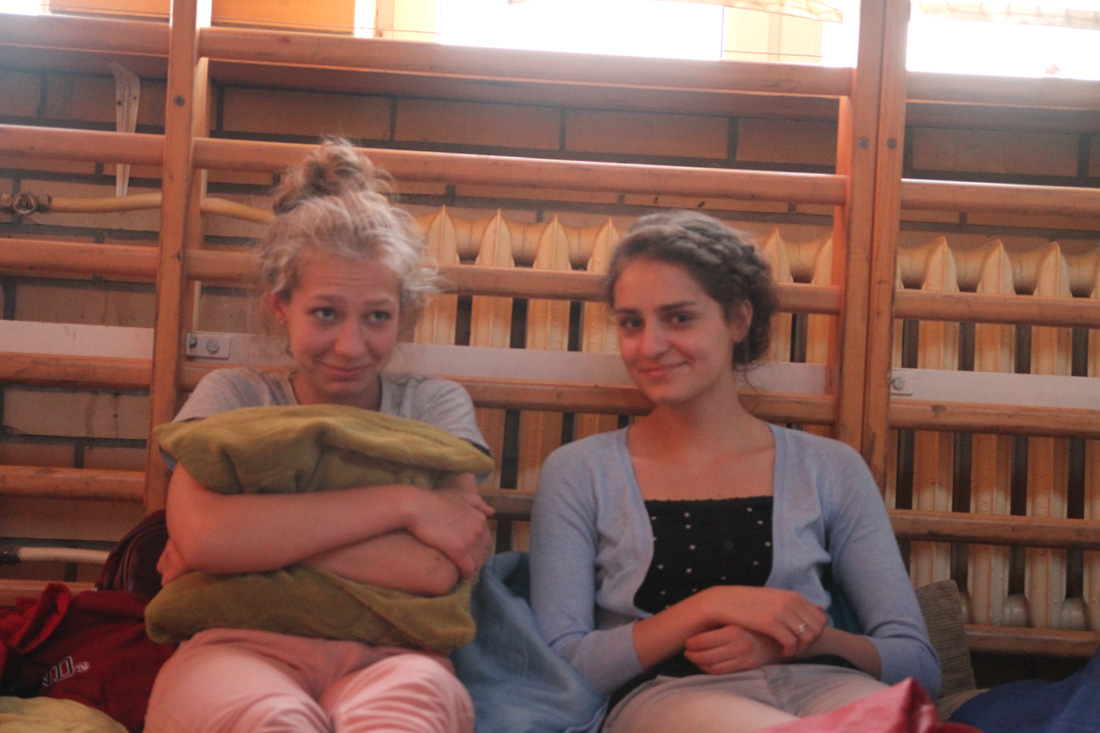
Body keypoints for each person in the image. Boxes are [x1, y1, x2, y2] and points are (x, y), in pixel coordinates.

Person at [529, 211, 940, 733]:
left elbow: (920, 665)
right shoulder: (580, 472)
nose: (649, 346)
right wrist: (711, 606)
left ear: (738, 320)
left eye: (679, 318)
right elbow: (561, 667)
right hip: (670, 698)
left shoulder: (830, 468)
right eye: (632, 322)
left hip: (824, 682)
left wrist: (806, 640)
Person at [145, 139, 494, 733]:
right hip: (236, 648)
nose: (350, 346)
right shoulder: (233, 395)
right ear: (280, 307)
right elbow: (203, 536)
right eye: (326, 313)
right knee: (270, 722)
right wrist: (404, 505)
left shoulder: (433, 405)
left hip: (396, 656)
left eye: (377, 316)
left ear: (404, 314)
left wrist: (250, 546)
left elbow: (440, 566)